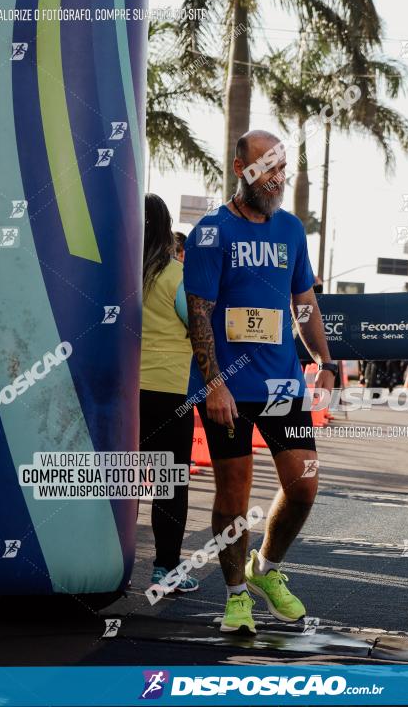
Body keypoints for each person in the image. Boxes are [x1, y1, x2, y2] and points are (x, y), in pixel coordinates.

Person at [183, 130, 335, 635]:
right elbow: (200, 316)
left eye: (281, 167)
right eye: (268, 167)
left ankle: (264, 570)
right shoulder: (210, 232)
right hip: (227, 387)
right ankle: (234, 596)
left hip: (281, 385)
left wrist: (326, 360)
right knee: (234, 492)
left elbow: (305, 303)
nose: (277, 177)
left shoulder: (291, 230)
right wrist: (214, 385)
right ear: (239, 168)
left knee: (304, 486)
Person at [139, 193, 198, 593]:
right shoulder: (174, 275)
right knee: (169, 484)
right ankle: (166, 570)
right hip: (171, 391)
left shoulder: (118, 272)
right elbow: (199, 327)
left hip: (124, 392)